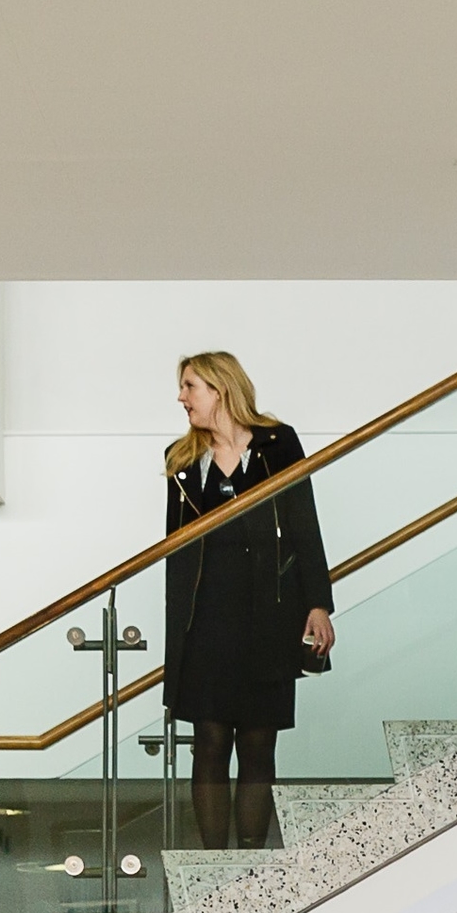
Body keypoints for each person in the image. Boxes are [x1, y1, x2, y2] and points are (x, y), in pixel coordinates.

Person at [161, 352, 333, 853]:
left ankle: (251, 866)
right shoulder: (182, 459)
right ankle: (213, 868)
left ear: (219, 388)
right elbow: (175, 555)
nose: (182, 397)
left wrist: (318, 603)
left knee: (259, 743)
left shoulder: (279, 444)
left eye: (189, 386)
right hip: (206, 622)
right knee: (210, 742)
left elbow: (304, 523)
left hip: (271, 616)